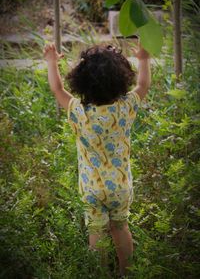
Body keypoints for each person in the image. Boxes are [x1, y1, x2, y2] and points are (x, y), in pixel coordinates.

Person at [43, 41, 151, 278]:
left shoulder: (78, 111)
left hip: (91, 188)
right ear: (121, 78)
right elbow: (143, 84)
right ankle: (126, 273)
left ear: (81, 81)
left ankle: (101, 274)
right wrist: (143, 59)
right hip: (121, 187)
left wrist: (52, 63)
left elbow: (57, 89)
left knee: (97, 233)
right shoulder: (126, 107)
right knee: (121, 228)